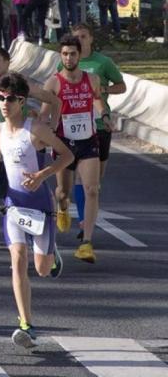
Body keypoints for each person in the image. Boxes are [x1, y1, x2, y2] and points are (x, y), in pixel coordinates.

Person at [0, 73, 71, 350]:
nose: (4, 103)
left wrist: (42, 174)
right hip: (14, 205)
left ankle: (53, 258)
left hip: (40, 204)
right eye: (0, 97)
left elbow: (67, 156)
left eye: (9, 99)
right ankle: (26, 324)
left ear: (21, 100)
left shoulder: (36, 129)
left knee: (41, 269)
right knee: (18, 258)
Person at [42, 35, 107, 263]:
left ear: (80, 55)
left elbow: (97, 99)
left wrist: (105, 114)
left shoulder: (93, 79)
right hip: (64, 143)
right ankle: (62, 207)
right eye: (65, 54)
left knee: (92, 189)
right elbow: (44, 112)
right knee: (63, 192)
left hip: (88, 140)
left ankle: (87, 243)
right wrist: (40, 130)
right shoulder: (54, 82)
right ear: (61, 56)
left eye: (73, 53)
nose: (69, 58)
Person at [60, 23, 126, 235]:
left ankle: (84, 216)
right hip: (73, 128)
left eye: (83, 36)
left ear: (90, 39)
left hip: (99, 124)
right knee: (79, 180)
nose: (79, 40)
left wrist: (102, 89)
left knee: (95, 183)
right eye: (76, 37)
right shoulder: (66, 62)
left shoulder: (103, 63)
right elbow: (55, 91)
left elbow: (121, 85)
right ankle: (82, 220)